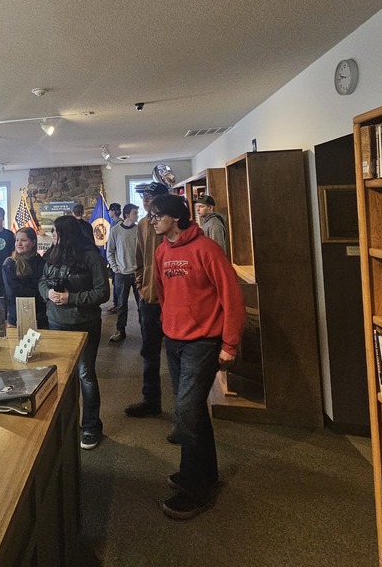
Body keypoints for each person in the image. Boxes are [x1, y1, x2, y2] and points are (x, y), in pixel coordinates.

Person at [150, 193, 246, 520]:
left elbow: (232, 297)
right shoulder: (162, 252)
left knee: (187, 410)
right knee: (191, 409)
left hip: (203, 341)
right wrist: (168, 324)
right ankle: (207, 473)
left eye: (157, 215)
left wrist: (229, 343)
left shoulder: (207, 249)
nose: (152, 220)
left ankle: (196, 490)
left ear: (175, 218)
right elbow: (163, 293)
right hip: (175, 340)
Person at [39, 215, 110, 450]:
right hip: (56, 322)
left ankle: (90, 426)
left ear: (66, 234)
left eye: (56, 233)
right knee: (61, 375)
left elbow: (102, 293)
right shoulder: (52, 254)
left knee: (85, 374)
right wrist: (47, 294)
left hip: (83, 323)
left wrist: (72, 298)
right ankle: (66, 423)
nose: (53, 236)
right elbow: (42, 281)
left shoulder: (91, 257)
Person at [124, 181, 170, 420]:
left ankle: (186, 416)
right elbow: (139, 259)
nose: (144, 202)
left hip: (174, 303)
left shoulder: (177, 225)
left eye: (149, 197)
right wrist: (141, 286)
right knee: (149, 353)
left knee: (177, 359)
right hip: (149, 299)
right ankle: (151, 400)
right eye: (143, 198)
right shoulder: (142, 225)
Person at [106, 203, 140, 342]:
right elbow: (110, 251)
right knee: (121, 304)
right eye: (134, 213)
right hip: (121, 273)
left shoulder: (139, 230)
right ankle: (121, 330)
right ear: (126, 215)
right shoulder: (115, 230)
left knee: (142, 304)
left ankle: (146, 330)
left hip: (137, 273)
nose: (137, 215)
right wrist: (115, 268)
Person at [2, 226, 47, 327]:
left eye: (23, 240)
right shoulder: (9, 263)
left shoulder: (42, 263)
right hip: (18, 316)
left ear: (33, 242)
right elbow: (14, 291)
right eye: (17, 240)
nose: (19, 244)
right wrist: (40, 296)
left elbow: (45, 285)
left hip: (40, 316)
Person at [107, 202, 123, 311]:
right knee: (115, 282)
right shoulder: (114, 223)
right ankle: (116, 303)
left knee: (118, 284)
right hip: (114, 257)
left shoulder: (119, 224)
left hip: (118, 258)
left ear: (113, 211)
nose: (109, 213)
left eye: (110, 211)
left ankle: (118, 305)